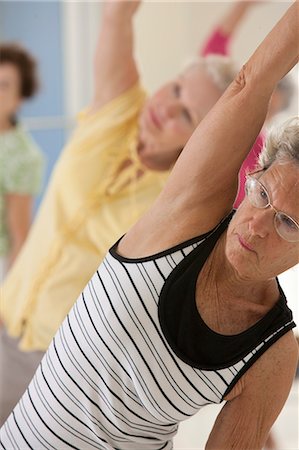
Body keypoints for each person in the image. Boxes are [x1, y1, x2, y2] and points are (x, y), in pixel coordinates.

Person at [1, 1, 298, 449]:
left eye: (289, 223)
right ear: (251, 177)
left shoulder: (273, 350)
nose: (258, 226)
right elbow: (246, 82)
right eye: (261, 195)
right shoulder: (169, 193)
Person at [200, 0, 295, 208]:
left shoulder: (263, 153)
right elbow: (213, 52)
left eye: (271, 106)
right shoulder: (224, 102)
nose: (263, 105)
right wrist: (243, 5)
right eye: (265, 95)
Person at [0, 43, 44, 278]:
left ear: (19, 98)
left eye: (4, 85)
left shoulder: (23, 156)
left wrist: (7, 303)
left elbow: (20, 236)